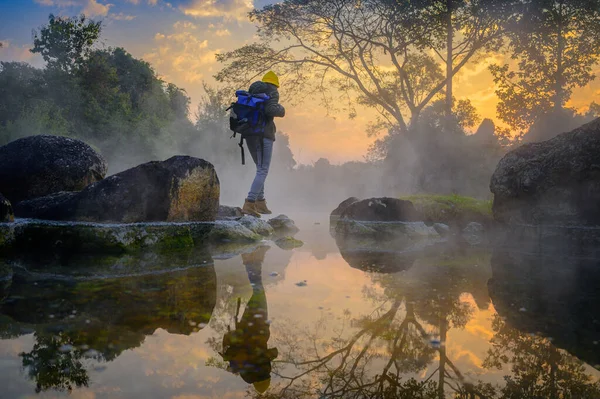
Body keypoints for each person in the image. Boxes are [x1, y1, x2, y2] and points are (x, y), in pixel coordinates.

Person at [220, 246, 278, 394]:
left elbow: (273, 352)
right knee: (257, 291)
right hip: (248, 327)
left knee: (258, 291)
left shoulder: (261, 368)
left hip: (257, 327)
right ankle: (253, 259)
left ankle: (252, 259)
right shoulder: (243, 368)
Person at [241, 71, 286, 218]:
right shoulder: (272, 91)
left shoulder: (253, 92)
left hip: (249, 134)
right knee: (263, 170)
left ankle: (260, 203)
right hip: (263, 136)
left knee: (260, 168)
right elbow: (270, 109)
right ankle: (250, 203)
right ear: (275, 83)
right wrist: (282, 110)